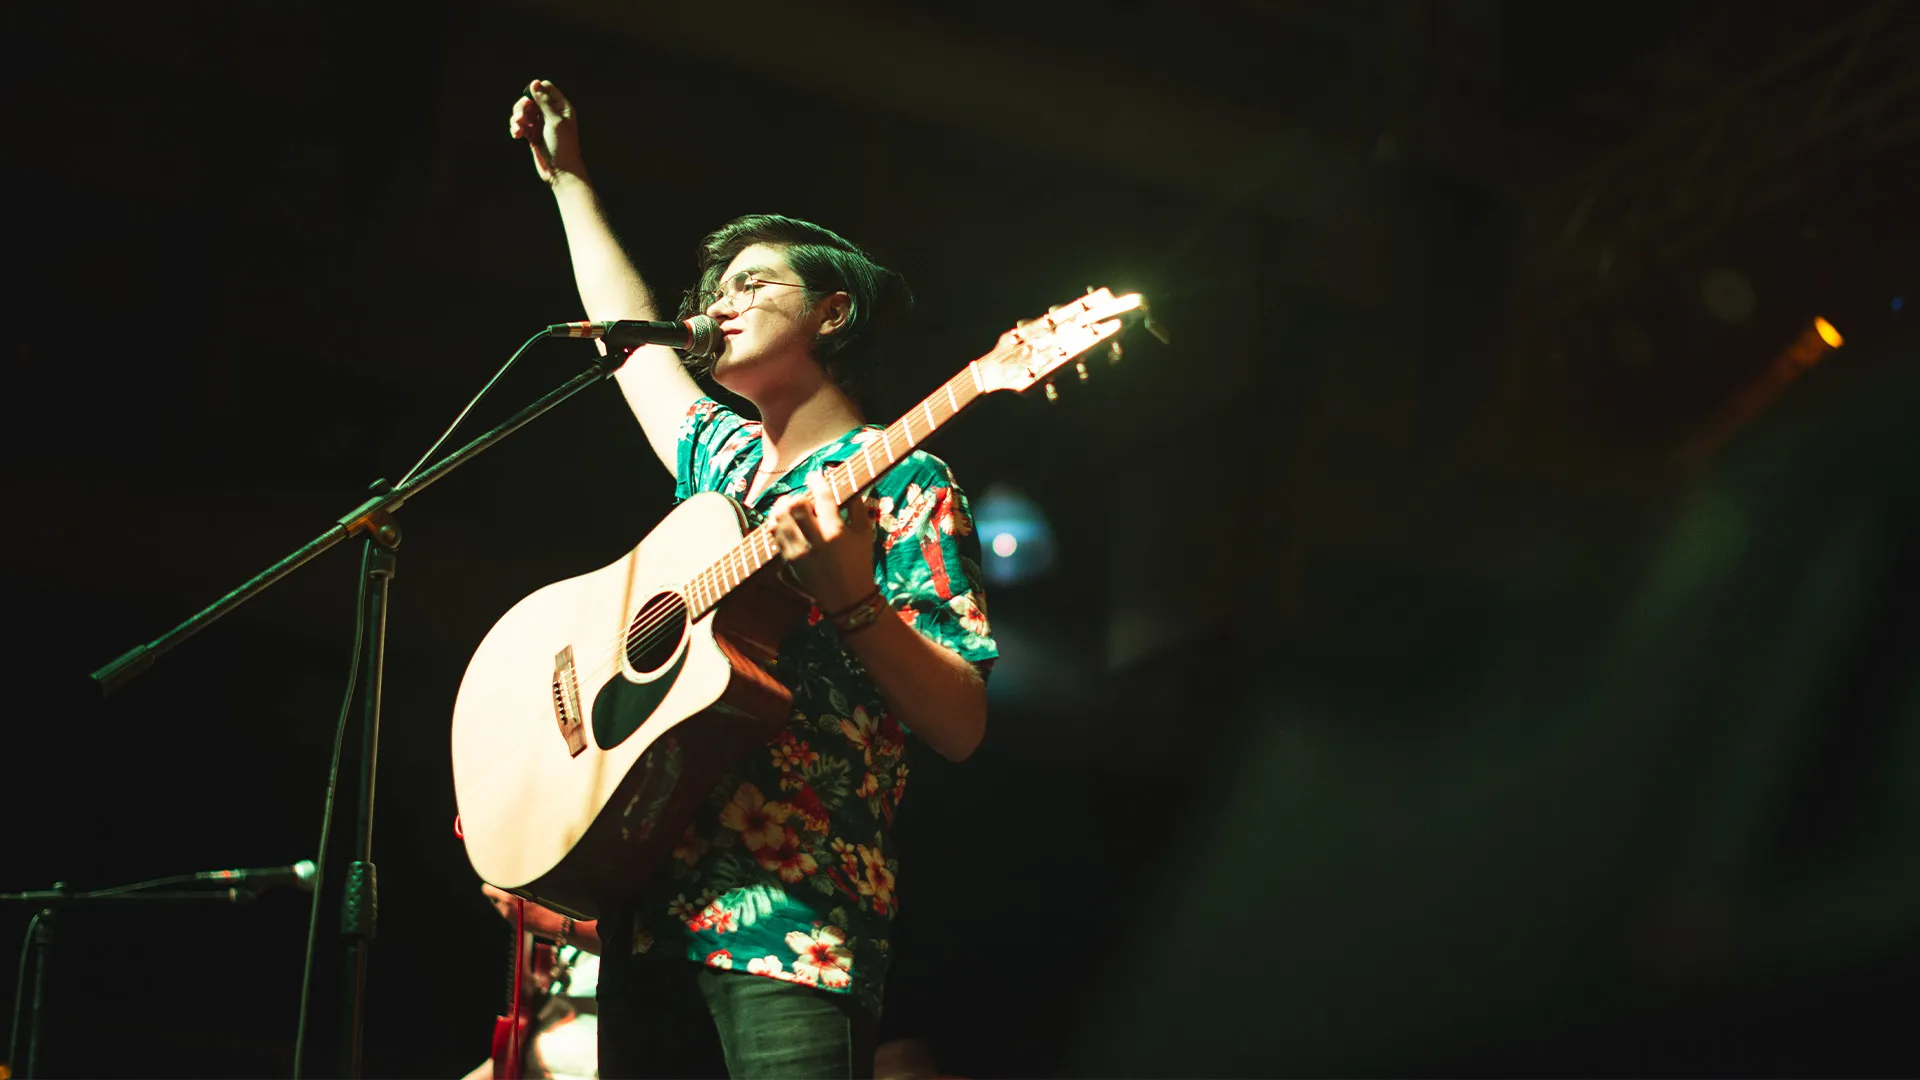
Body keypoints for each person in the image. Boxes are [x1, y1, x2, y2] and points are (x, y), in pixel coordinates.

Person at [503, 79, 997, 1079]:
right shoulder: (719, 464)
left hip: (795, 925)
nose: (718, 304)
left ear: (833, 312)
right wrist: (568, 183)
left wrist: (854, 599)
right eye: (712, 291)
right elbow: (626, 339)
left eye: (753, 284)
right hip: (646, 918)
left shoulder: (907, 480)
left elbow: (961, 723)